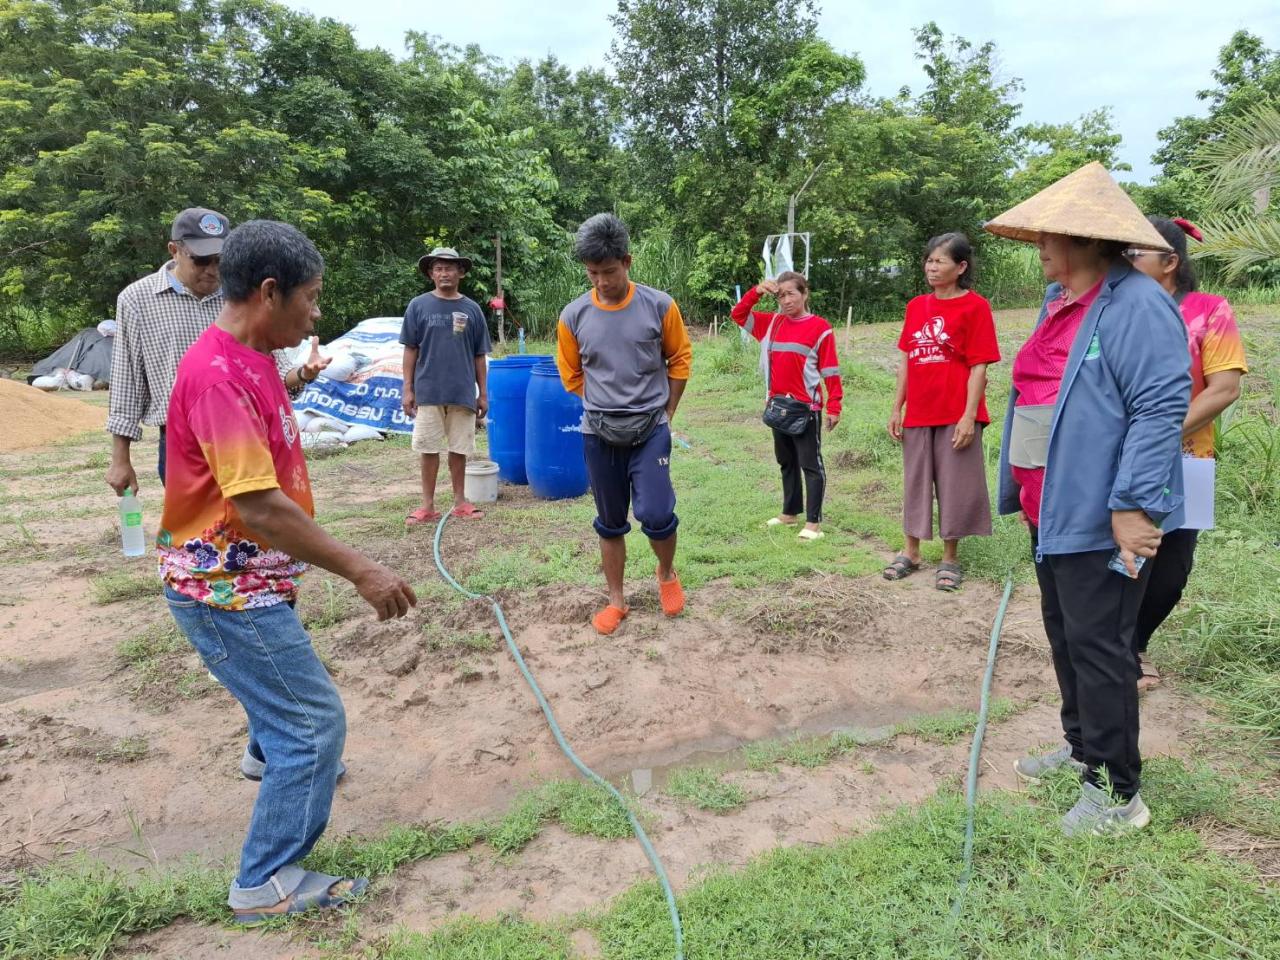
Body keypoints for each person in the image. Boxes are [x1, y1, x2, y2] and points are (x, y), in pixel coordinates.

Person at [159, 220, 416, 923]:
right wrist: (362, 570)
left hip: (252, 579)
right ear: (270, 293)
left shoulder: (251, 361)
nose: (318, 312)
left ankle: (264, 759)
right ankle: (266, 879)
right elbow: (260, 508)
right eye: (312, 297)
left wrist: (301, 378)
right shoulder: (216, 374)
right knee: (312, 724)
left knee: (285, 709)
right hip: (226, 588)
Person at [986, 162, 1191, 836]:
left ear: (1086, 238)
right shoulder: (1059, 301)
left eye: (1051, 235)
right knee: (1067, 634)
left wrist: (1133, 505)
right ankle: (1082, 750)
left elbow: (1161, 409)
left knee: (1103, 646)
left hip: (1106, 515)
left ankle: (1116, 793)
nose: (1040, 245)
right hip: (1054, 508)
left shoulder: (1138, 306)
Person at [105, 207, 328, 495]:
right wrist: (120, 459)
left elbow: (271, 370)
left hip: (247, 428)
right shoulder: (138, 300)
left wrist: (302, 374)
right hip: (185, 440)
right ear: (175, 250)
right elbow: (127, 381)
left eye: (219, 261)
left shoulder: (241, 296)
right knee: (207, 527)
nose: (212, 270)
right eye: (201, 260)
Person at [1125, 216, 1247, 691]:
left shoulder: (1208, 310)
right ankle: (1119, 652)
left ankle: (1136, 642)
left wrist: (1159, 434)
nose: (1126, 263)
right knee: (1125, 555)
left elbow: (1224, 388)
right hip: (1122, 457)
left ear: (1170, 262)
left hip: (1187, 459)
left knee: (1172, 567)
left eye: (1136, 254)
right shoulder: (1116, 309)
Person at [556, 213, 693, 635]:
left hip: (650, 430)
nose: (601, 281)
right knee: (610, 520)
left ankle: (666, 574)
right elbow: (570, 372)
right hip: (599, 435)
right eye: (593, 273)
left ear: (628, 262)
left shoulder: (659, 305)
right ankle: (616, 599)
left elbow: (680, 359)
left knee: (655, 513)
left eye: (609, 271)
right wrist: (603, 405)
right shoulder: (574, 315)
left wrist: (665, 413)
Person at [884, 233, 1000, 588]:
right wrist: (897, 407)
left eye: (940, 261)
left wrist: (969, 416)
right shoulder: (916, 307)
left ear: (960, 267)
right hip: (919, 410)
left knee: (956, 484)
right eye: (929, 261)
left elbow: (979, 366)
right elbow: (906, 359)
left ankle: (950, 558)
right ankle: (911, 551)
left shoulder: (975, 306)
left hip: (955, 412)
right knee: (915, 482)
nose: (932, 268)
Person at [730, 271, 842, 539]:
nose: (786, 300)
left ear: (805, 294)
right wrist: (757, 292)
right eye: (780, 295)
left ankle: (813, 523)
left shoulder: (820, 328)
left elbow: (830, 370)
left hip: (806, 408)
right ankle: (790, 514)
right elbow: (738, 314)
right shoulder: (771, 324)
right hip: (778, 407)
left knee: (810, 464)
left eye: (791, 293)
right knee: (786, 462)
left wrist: (835, 405)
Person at [400, 246, 491, 526]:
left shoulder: (472, 309)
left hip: (462, 391)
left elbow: (479, 355)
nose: (444, 273)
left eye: (450, 268)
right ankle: (427, 505)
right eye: (438, 268)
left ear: (460, 272)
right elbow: (410, 350)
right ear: (431, 274)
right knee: (428, 447)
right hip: (428, 390)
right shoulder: (418, 306)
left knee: (459, 448)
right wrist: (408, 388)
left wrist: (483, 393)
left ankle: (460, 501)